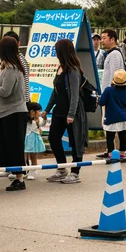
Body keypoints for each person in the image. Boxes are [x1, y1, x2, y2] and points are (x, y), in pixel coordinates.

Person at [43, 39, 88, 184]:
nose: (55, 53)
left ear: (63, 51)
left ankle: (75, 172)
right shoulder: (60, 68)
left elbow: (75, 94)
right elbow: (55, 92)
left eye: (57, 50)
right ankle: (62, 168)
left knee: (76, 141)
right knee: (53, 138)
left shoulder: (73, 69)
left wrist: (71, 114)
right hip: (59, 110)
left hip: (72, 111)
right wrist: (47, 109)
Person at [0, 37, 29, 192]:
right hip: (5, 113)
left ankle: (19, 179)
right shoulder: (9, 67)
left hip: (14, 113)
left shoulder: (12, 69)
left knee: (14, 146)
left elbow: (5, 92)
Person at [98, 69, 126, 158]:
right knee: (122, 137)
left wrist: (98, 98)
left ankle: (110, 154)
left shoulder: (108, 90)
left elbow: (102, 102)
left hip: (112, 116)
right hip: (124, 116)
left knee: (110, 137)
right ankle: (122, 154)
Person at [3, 31, 30, 103]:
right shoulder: (21, 58)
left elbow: (5, 90)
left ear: (18, 44)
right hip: (23, 101)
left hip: (17, 103)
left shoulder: (15, 61)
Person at [24, 102, 47, 181]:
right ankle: (24, 170)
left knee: (33, 156)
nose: (40, 113)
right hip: (26, 139)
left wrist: (44, 119)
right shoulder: (25, 119)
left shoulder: (38, 120)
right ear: (32, 111)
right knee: (23, 155)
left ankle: (33, 171)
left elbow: (43, 124)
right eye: (39, 111)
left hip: (34, 140)